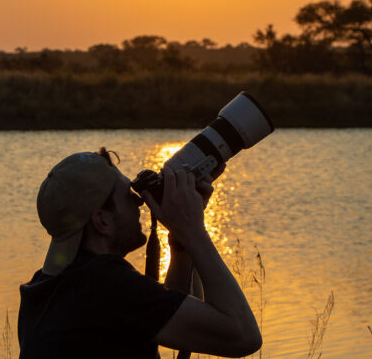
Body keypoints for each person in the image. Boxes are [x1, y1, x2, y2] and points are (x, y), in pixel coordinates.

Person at [18, 148, 261, 358]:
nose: (139, 203)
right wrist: (193, 232)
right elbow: (243, 335)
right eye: (129, 196)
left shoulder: (42, 290)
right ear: (102, 221)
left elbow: (179, 319)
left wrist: (180, 239)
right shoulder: (106, 285)